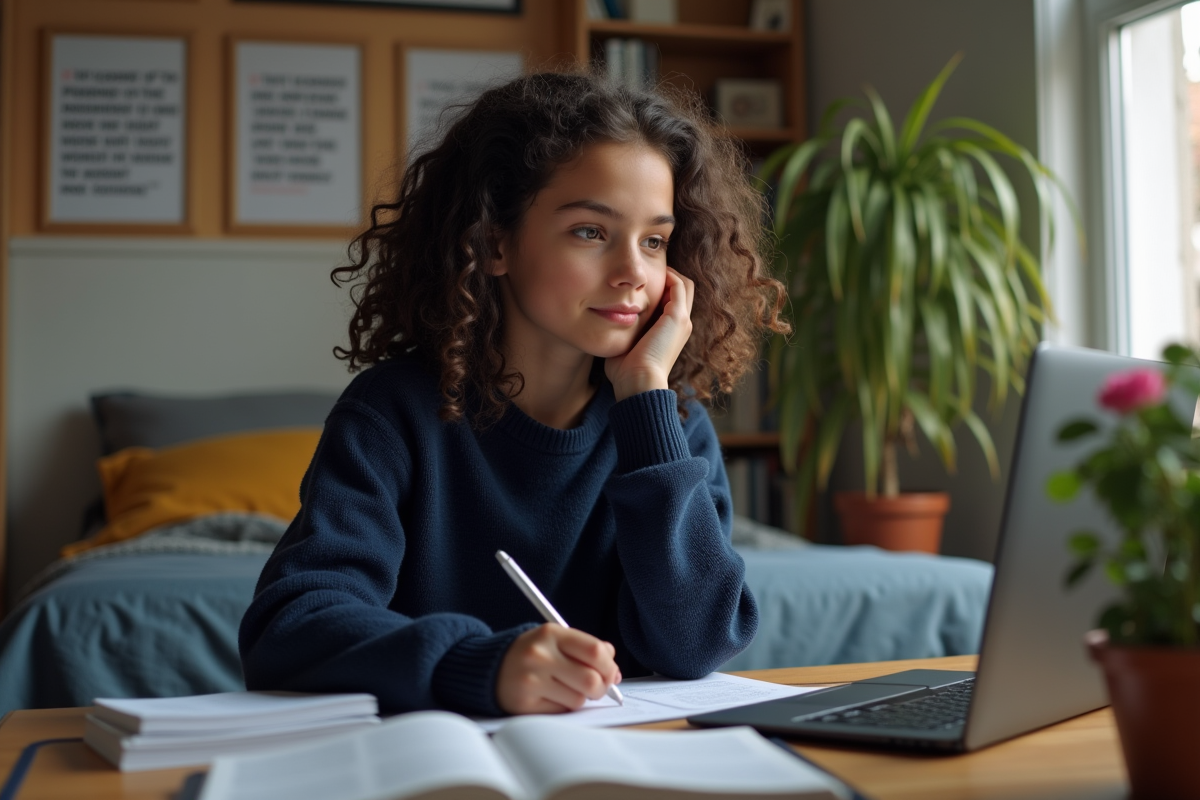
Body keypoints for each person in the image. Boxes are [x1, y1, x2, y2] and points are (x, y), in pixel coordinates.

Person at [238, 71, 790, 717]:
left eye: (654, 241)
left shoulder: (671, 422)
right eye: (590, 231)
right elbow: (290, 625)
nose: (633, 273)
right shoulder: (393, 412)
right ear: (495, 242)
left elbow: (696, 646)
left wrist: (646, 398)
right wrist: (478, 665)